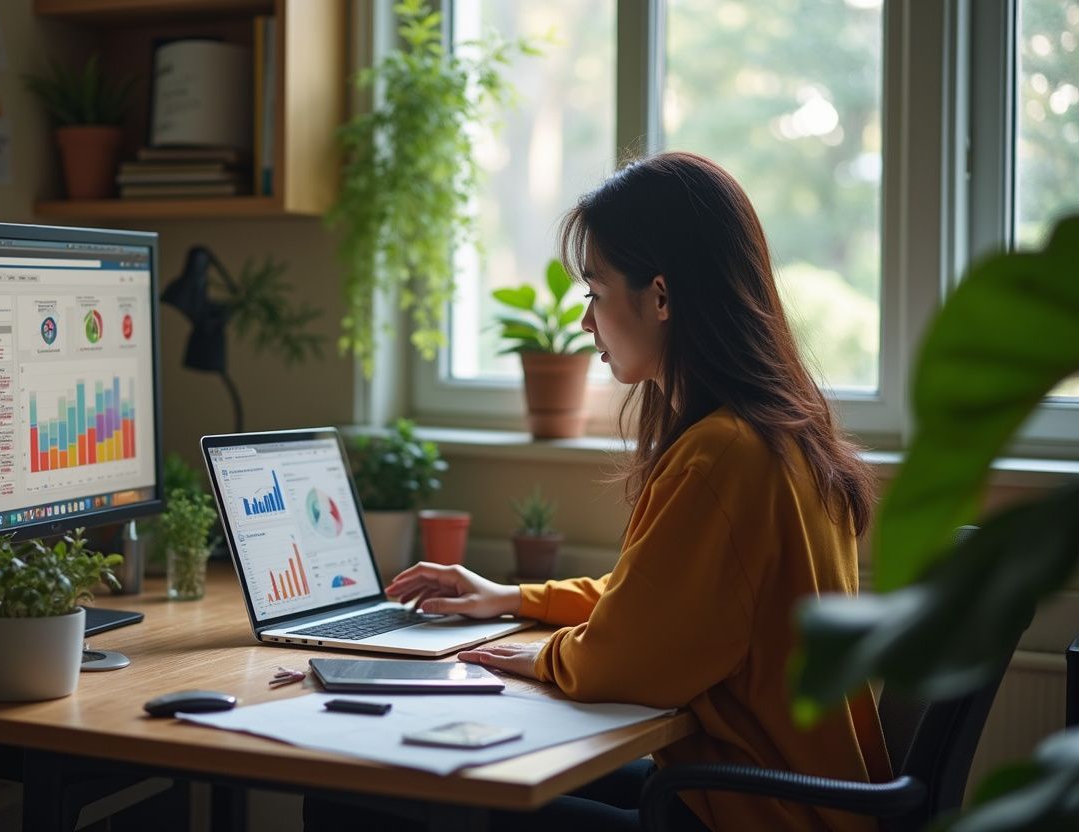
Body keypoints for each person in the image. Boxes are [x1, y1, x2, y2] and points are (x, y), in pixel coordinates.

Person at [306, 152, 891, 832]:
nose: (587, 323)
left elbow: (626, 663)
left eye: (595, 292)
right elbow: (658, 599)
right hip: (784, 796)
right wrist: (514, 599)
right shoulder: (777, 433)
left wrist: (541, 657)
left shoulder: (723, 455)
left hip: (755, 814)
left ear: (661, 297)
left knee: (360, 802)